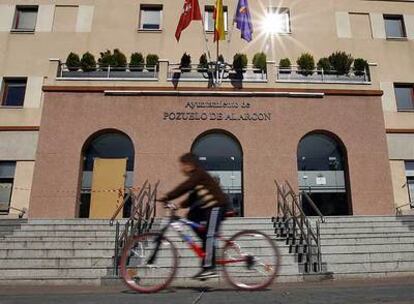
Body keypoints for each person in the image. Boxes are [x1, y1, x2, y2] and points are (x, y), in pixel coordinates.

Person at [159, 152, 229, 280]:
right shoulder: (197, 178)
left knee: (209, 234)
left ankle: (209, 267)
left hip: (217, 206)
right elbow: (192, 197)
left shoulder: (199, 174)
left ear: (190, 165)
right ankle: (208, 257)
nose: (181, 168)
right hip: (209, 208)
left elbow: (185, 187)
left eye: (183, 165)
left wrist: (168, 196)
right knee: (192, 218)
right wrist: (178, 205)